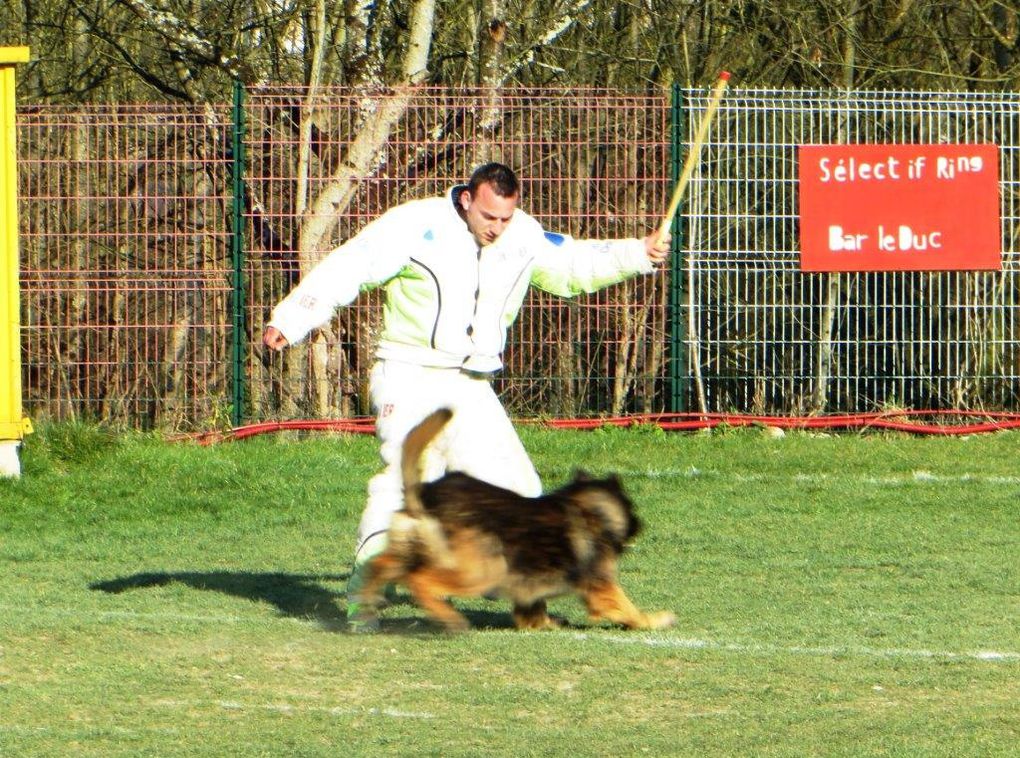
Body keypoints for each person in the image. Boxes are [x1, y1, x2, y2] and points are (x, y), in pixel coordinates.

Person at [262, 162, 670, 625]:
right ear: (466, 200)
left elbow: (573, 264)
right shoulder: (414, 225)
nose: (497, 228)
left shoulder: (524, 236)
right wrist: (292, 318)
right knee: (405, 480)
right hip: (408, 374)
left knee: (522, 496)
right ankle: (363, 596)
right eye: (489, 217)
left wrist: (640, 252)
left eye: (506, 218)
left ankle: (526, 611)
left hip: (473, 385)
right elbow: (350, 266)